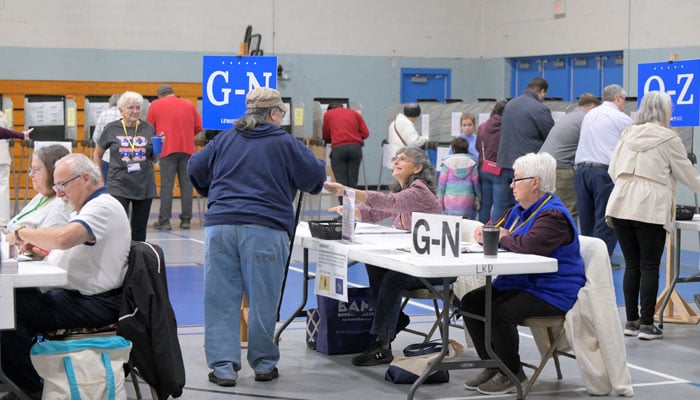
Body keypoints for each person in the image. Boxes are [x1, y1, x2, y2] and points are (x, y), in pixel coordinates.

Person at [188, 87, 325, 387]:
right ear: (274, 113)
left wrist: (211, 191)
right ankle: (263, 363)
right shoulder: (284, 142)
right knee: (263, 298)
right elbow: (315, 178)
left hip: (221, 226)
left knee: (220, 299)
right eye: (281, 115)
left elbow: (194, 167)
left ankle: (223, 367)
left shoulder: (224, 138)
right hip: (265, 227)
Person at [1, 153, 131, 400]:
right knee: (12, 300)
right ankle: (24, 374)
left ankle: (31, 387)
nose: (58, 192)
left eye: (63, 185)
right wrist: (41, 254)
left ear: (84, 178)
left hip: (94, 303)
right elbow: (73, 250)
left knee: (7, 313)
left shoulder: (102, 207)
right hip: (78, 296)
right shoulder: (88, 207)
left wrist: (21, 234)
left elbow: (63, 238)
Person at [459, 152, 585, 395]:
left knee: (499, 312)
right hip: (521, 282)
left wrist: (503, 237)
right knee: (471, 302)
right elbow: (498, 231)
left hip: (552, 290)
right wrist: (490, 233)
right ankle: (492, 363)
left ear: (534, 182)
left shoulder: (553, 215)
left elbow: (529, 245)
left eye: (516, 180)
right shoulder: (520, 209)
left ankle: (511, 372)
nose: (511, 185)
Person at [324, 147, 443, 367]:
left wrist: (346, 190)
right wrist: (349, 209)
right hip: (414, 261)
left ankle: (383, 344)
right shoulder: (403, 189)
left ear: (417, 168)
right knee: (375, 265)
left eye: (403, 159)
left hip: (433, 267)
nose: (396, 161)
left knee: (393, 277)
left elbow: (389, 203)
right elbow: (375, 213)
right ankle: (394, 319)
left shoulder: (418, 191)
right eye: (395, 158)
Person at [606, 91, 700, 341]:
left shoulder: (627, 133)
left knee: (632, 265)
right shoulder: (669, 138)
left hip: (620, 202)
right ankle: (647, 324)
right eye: (670, 108)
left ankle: (631, 321)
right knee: (649, 265)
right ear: (663, 111)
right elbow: (687, 175)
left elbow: (613, 169)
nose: (671, 113)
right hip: (649, 206)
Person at [575, 84, 631, 258]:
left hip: (581, 171)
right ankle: (601, 262)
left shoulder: (590, 114)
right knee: (606, 220)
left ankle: (585, 261)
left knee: (586, 222)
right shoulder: (621, 118)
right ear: (618, 98)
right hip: (603, 173)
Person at [93, 91, 158, 242]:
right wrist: (100, 179)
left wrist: (158, 148)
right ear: (121, 110)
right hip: (119, 184)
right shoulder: (112, 128)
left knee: (139, 229)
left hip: (144, 185)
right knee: (118, 227)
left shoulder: (148, 128)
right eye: (130, 108)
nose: (135, 111)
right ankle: (118, 259)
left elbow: (154, 159)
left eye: (138, 108)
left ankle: (137, 261)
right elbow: (97, 154)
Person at [147, 84, 203, 230]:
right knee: (186, 185)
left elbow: (149, 128)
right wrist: (186, 136)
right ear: (172, 93)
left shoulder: (155, 105)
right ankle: (186, 221)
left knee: (167, 185)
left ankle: (164, 221)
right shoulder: (188, 104)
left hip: (166, 149)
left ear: (160, 95)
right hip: (187, 149)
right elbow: (198, 126)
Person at [540, 93, 601, 220]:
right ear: (593, 106)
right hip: (561, 168)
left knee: (547, 208)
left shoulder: (570, 116)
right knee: (567, 210)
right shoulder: (586, 119)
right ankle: (566, 238)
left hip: (545, 165)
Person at [497, 77, 554, 213]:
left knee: (504, 207)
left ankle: (499, 232)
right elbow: (551, 136)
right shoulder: (540, 108)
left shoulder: (510, 105)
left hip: (505, 163)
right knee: (526, 206)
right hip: (526, 168)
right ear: (542, 91)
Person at [6, 145, 71, 247]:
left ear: (52, 172)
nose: (31, 175)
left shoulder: (61, 204)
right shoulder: (41, 196)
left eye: (36, 169)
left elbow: (48, 243)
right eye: (31, 169)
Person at [322, 102, 370, 192]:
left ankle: (343, 205)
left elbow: (326, 135)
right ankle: (352, 205)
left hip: (339, 149)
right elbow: (365, 133)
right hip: (355, 148)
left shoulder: (328, 114)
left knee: (341, 182)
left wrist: (333, 138)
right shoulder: (354, 113)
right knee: (353, 181)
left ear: (329, 109)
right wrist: (355, 138)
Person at [476, 100, 507, 224]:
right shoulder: (506, 128)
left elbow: (478, 146)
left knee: (485, 204)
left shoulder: (482, 126)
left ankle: (481, 230)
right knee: (499, 205)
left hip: (484, 167)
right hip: (499, 169)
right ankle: (493, 235)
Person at [0, 112, 34, 226]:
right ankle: (2, 222)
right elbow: (5, 133)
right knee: (3, 189)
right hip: (2, 156)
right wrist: (21, 135)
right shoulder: (2, 115)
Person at [437, 137, 480, 218]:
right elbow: (476, 184)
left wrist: (440, 203)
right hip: (467, 203)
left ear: (453, 149)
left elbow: (441, 186)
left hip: (449, 203)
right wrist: (479, 197)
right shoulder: (472, 163)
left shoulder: (446, 163)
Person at [91, 93, 121, 184]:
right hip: (123, 156)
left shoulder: (104, 114)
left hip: (106, 156)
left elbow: (96, 136)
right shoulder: (127, 114)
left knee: (107, 185)